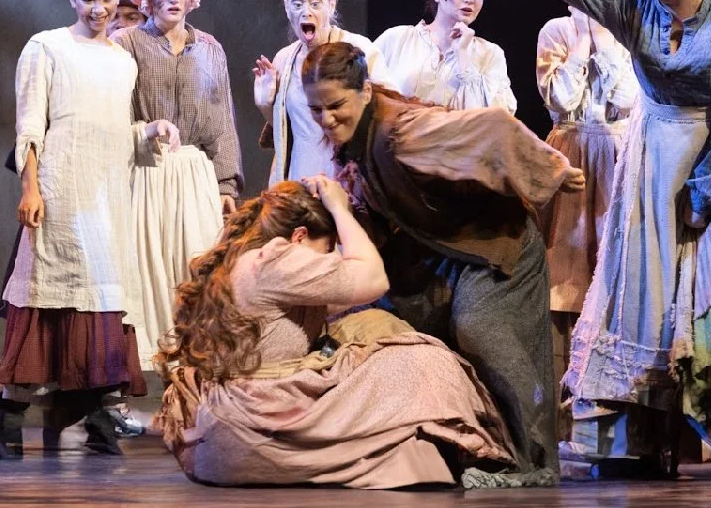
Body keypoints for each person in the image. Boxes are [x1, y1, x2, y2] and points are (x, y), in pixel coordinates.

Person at [465, 0, 711, 478]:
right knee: (640, 298)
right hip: (655, 158)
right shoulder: (634, 4)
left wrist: (705, 194)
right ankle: (634, 441)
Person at [301, 42, 586, 487]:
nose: (326, 119)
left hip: (496, 245)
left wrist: (548, 169)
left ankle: (533, 463)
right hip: (443, 253)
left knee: (480, 330)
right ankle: (462, 444)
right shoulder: (355, 143)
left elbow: (493, 126)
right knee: (378, 320)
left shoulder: (402, 132)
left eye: (336, 106)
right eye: (316, 109)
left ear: (365, 91)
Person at [155, 177, 518, 489]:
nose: (332, 260)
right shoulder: (276, 259)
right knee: (422, 361)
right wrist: (340, 210)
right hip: (259, 415)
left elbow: (352, 299)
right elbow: (372, 279)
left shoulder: (251, 261)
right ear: (299, 237)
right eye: (328, 249)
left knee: (374, 327)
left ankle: (421, 457)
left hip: (234, 423)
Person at [0, 0, 180, 459]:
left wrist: (149, 131)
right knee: (49, 300)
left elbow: (112, 130)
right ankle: (5, 421)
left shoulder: (122, 61)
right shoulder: (46, 47)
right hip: (61, 192)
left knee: (102, 305)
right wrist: (31, 189)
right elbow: (30, 126)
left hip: (107, 197)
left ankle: (95, 420)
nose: (98, 8)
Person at [113, 0, 243, 366]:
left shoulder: (210, 49)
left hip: (194, 172)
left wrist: (226, 183)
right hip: (146, 169)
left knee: (197, 267)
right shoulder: (126, 44)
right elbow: (115, 115)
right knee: (147, 266)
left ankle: (195, 367)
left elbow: (222, 119)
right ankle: (145, 367)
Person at [535, 0, 639, 390]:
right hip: (572, 146)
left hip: (616, 151)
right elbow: (561, 99)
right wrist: (581, 41)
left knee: (614, 262)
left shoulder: (630, 29)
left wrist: (604, 37)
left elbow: (627, 98)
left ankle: (609, 378)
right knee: (566, 261)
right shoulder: (556, 30)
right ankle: (561, 377)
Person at [253, 0, 395, 185]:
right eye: (297, 4)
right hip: (299, 175)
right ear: (287, 8)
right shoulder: (284, 59)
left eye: (315, 3)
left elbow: (388, 113)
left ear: (332, 5)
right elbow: (291, 130)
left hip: (345, 175)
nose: (306, 12)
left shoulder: (359, 50)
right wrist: (265, 103)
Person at [374, 0, 516, 112]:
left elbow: (496, 116)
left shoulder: (490, 54)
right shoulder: (398, 39)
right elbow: (364, 91)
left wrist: (463, 54)